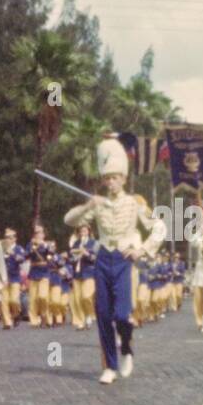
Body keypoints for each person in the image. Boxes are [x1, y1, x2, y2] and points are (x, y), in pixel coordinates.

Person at [64, 136, 166, 384]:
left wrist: (142, 250)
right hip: (102, 259)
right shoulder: (97, 204)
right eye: (107, 178)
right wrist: (89, 203)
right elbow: (69, 220)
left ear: (123, 178)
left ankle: (127, 348)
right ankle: (109, 366)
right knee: (103, 314)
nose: (111, 182)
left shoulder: (135, 203)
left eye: (115, 177)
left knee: (122, 314)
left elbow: (159, 227)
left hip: (122, 259)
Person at [69, 224, 98, 330]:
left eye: (85, 231)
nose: (82, 233)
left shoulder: (94, 243)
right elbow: (70, 257)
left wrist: (86, 254)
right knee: (78, 299)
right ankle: (81, 321)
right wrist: (74, 257)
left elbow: (96, 258)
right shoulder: (76, 243)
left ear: (89, 232)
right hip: (77, 273)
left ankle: (89, 315)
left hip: (89, 273)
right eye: (81, 231)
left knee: (86, 296)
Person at [26, 225, 52, 327]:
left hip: (44, 271)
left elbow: (51, 255)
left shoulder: (49, 244)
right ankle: (34, 320)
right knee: (33, 298)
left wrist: (44, 246)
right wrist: (33, 248)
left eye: (40, 233)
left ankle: (45, 316)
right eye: (36, 233)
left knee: (43, 296)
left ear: (44, 234)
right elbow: (26, 256)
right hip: (34, 271)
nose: (38, 235)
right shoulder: (30, 244)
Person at [0, 228, 26, 330]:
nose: (8, 240)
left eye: (11, 238)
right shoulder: (1, 248)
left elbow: (22, 259)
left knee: (14, 300)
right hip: (4, 277)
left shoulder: (18, 248)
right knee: (4, 300)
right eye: (6, 238)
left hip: (15, 277)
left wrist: (12, 254)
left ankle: (16, 314)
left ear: (15, 239)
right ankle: (7, 322)